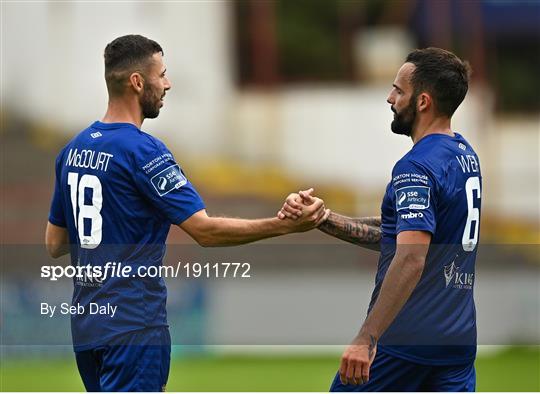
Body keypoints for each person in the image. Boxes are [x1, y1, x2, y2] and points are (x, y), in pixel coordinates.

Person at [45, 34, 327, 392]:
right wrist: (284, 225)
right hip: (134, 325)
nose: (167, 83)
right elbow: (204, 231)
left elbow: (55, 243)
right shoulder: (144, 152)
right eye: (161, 74)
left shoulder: (72, 151)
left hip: (88, 326)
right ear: (136, 82)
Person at [279, 47, 481, 392]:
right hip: (457, 342)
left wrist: (366, 338)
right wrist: (323, 218)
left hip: (407, 339)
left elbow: (411, 257)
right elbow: (406, 234)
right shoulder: (465, 156)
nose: (390, 98)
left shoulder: (416, 167)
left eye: (399, 90)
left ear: (422, 102)